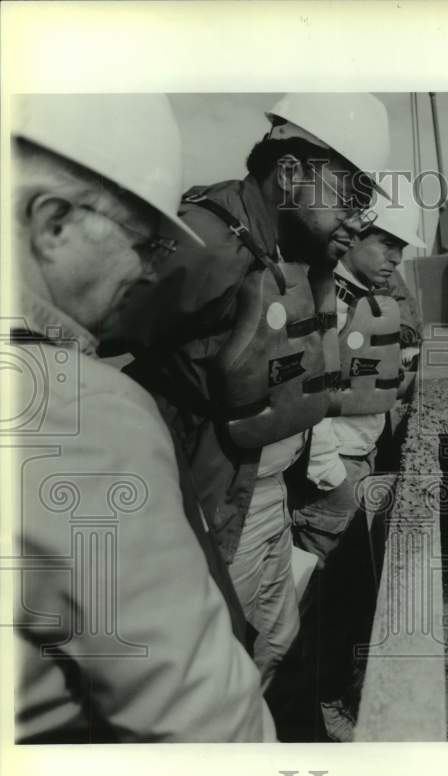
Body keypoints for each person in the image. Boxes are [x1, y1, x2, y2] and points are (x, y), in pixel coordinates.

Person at [10, 93, 274, 741]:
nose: (150, 271)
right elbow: (206, 728)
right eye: (143, 243)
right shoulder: (82, 414)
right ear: (53, 224)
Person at [121, 93, 392, 691]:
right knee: (211, 680)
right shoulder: (208, 244)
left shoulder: (291, 250)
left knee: (274, 651)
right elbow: (90, 341)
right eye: (349, 193)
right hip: (211, 508)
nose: (359, 217)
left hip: (265, 495)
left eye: (365, 201)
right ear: (290, 173)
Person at [289, 177, 426, 741]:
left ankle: (331, 690)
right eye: (386, 243)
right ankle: (322, 699)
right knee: (332, 589)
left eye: (402, 247)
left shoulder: (370, 297)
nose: (396, 256)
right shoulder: (326, 298)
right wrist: (327, 468)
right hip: (333, 466)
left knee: (351, 586)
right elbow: (304, 386)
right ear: (355, 239)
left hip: (358, 456)